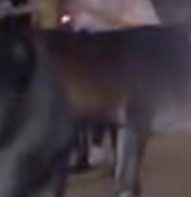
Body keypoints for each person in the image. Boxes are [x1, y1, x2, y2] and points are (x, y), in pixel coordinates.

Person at [63, 0, 160, 168]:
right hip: (87, 48)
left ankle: (116, 157)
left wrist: (95, 12)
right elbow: (73, 14)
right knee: (86, 104)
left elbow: (141, 25)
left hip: (119, 53)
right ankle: (89, 151)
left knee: (115, 107)